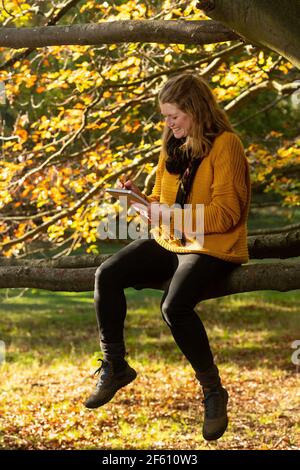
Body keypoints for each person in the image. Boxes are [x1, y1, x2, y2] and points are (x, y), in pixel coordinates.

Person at [84, 73, 251, 441]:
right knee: (107, 273)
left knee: (173, 307)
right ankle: (115, 365)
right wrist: (144, 204)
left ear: (195, 110)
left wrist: (170, 216)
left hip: (211, 245)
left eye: (174, 116)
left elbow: (226, 213)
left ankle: (212, 390)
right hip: (171, 239)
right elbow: (162, 198)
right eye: (165, 117)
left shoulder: (227, 146)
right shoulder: (171, 148)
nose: (168, 123)